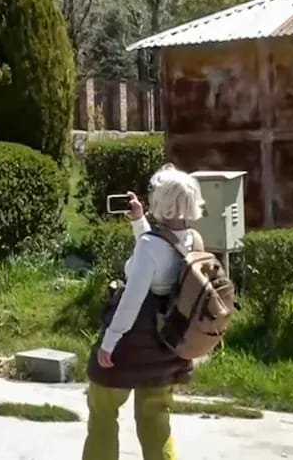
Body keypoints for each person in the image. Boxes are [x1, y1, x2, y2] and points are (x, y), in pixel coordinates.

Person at [82, 164, 203, 460]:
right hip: (168, 345)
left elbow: (132, 299)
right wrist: (139, 222)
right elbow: (158, 255)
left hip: (131, 345)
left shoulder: (150, 247)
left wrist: (109, 341)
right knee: (156, 420)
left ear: (161, 202)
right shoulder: (192, 239)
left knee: (102, 411)